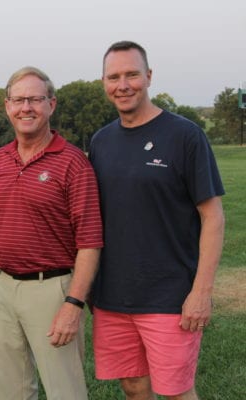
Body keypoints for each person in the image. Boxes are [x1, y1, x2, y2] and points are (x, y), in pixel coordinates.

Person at [89, 41, 225, 400]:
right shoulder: (100, 142)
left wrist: (201, 292)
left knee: (176, 392)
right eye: (114, 76)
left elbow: (213, 217)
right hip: (112, 295)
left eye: (132, 74)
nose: (123, 84)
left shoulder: (185, 136)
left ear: (149, 76)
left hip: (169, 295)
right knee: (133, 387)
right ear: (103, 82)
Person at [0, 66, 103, 400]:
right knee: (11, 390)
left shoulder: (73, 162)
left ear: (51, 105)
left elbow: (89, 242)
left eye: (35, 99)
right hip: (3, 286)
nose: (26, 107)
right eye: (18, 100)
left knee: (64, 390)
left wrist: (73, 304)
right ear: (7, 106)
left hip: (53, 289)